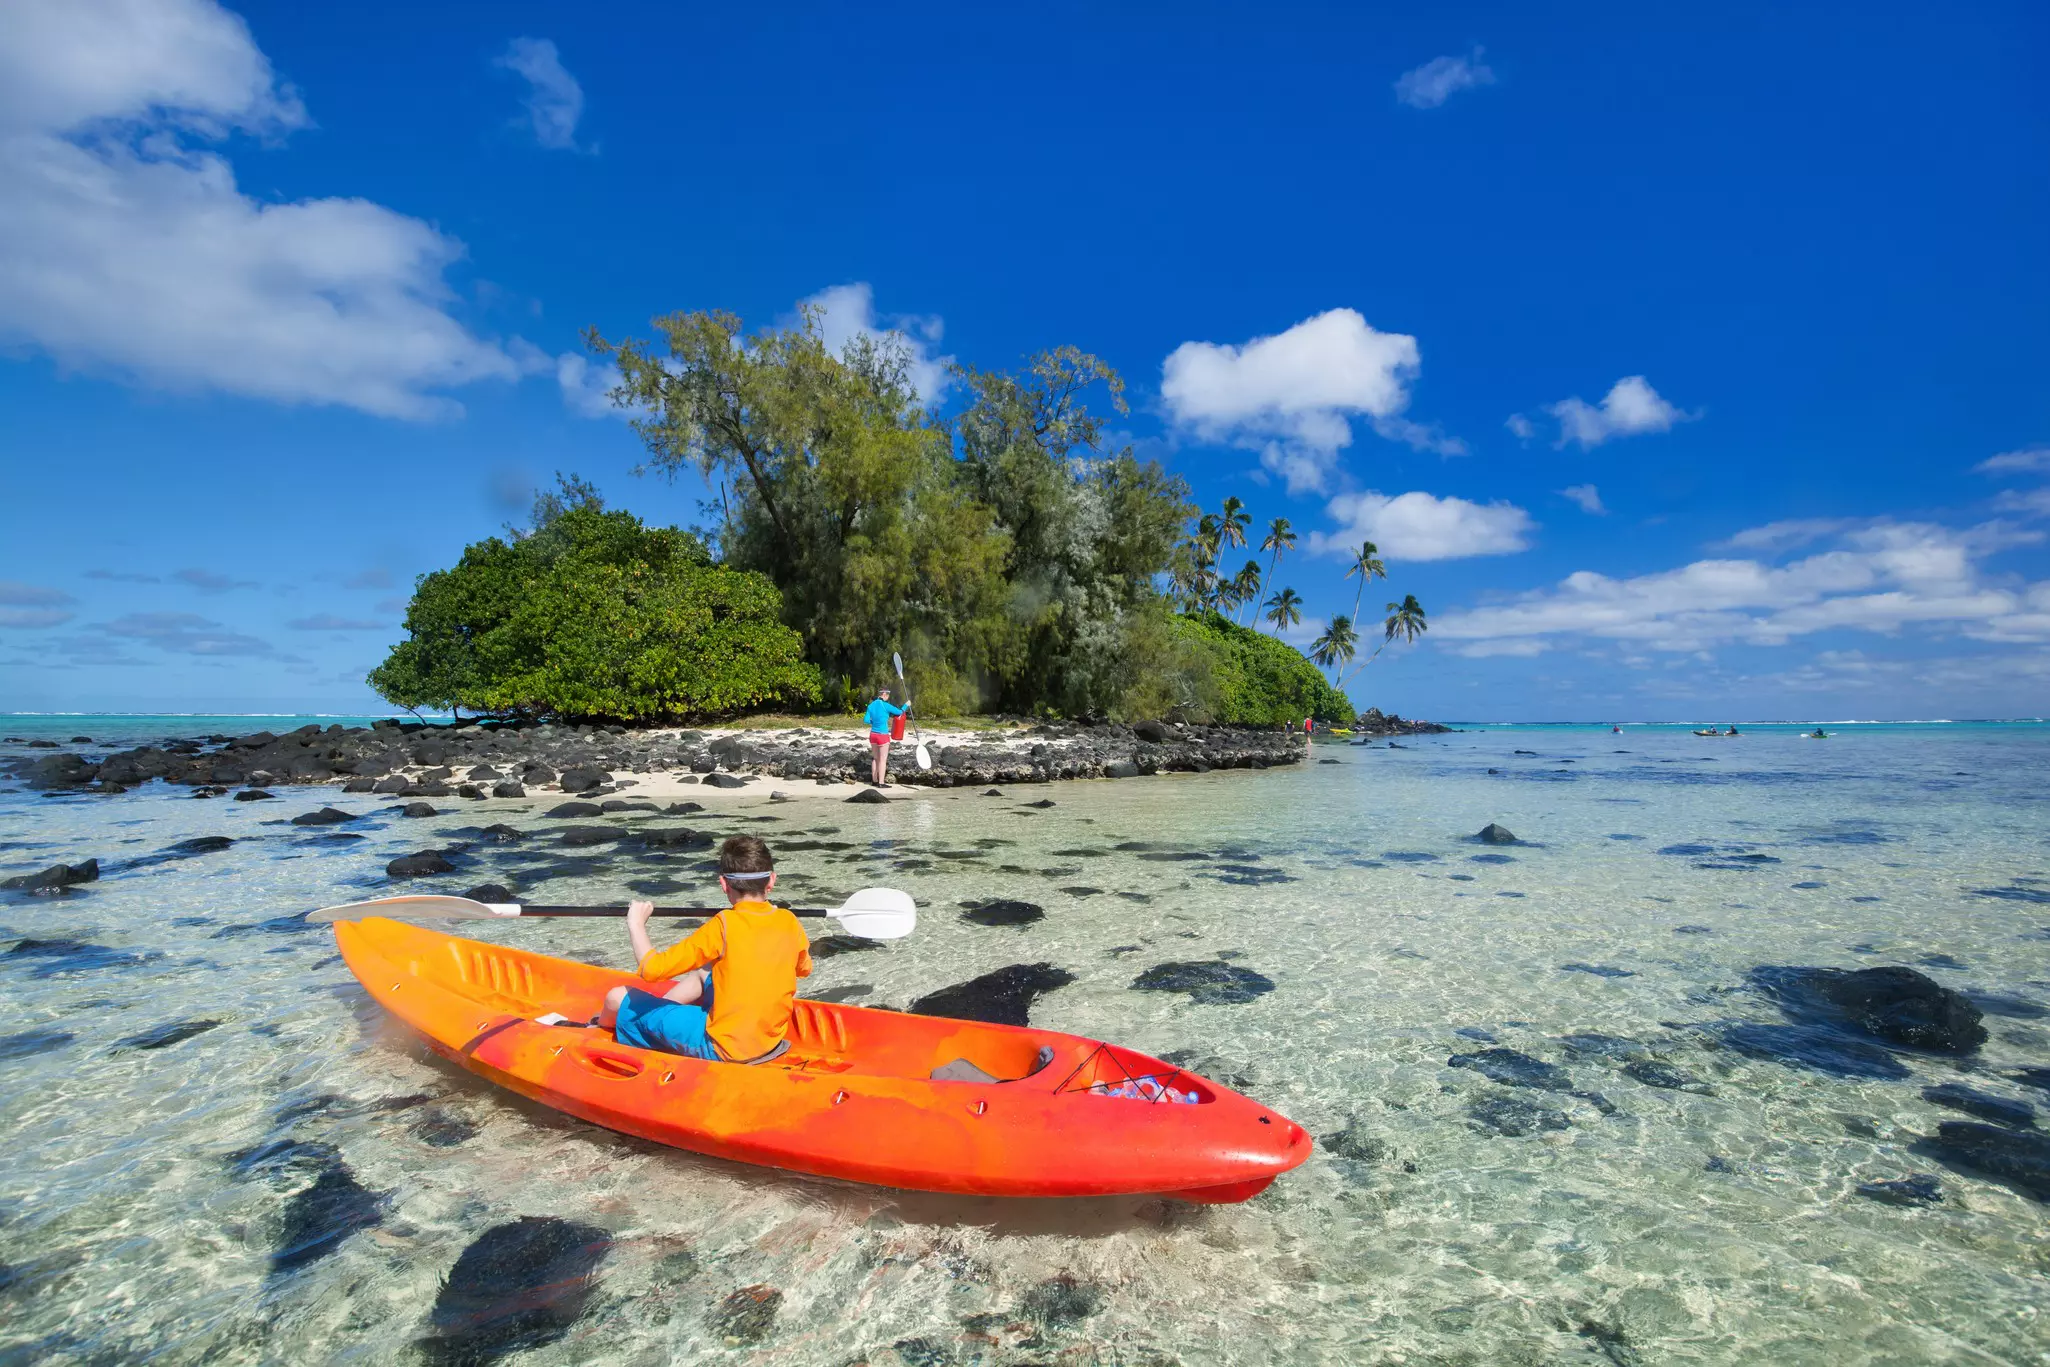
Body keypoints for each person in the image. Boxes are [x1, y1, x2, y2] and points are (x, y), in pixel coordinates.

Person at [596, 835, 812, 1063]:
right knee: (704, 973)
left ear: (723, 884)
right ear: (771, 881)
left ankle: (596, 1030)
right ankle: (661, 1013)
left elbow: (652, 970)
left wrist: (636, 923)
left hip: (722, 1047)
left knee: (617, 997)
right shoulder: (789, 921)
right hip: (770, 1040)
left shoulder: (722, 925)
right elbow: (804, 969)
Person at [863, 685, 908, 786]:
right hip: (882, 735)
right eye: (888, 695)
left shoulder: (871, 705)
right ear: (884, 694)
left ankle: (874, 781)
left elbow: (866, 720)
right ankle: (881, 782)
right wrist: (906, 705)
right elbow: (899, 712)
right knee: (883, 759)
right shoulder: (885, 705)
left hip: (873, 735)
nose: (888, 697)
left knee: (875, 758)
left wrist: (875, 721)